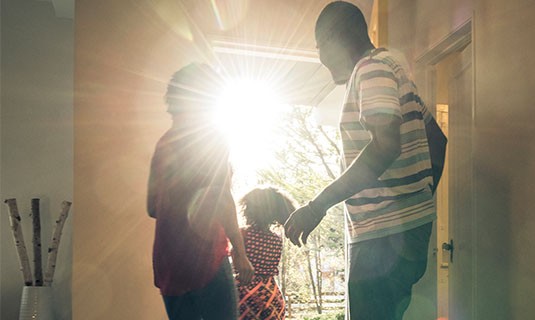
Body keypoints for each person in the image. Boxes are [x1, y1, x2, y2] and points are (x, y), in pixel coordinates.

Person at [284, 2, 447, 320]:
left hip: (383, 237)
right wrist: (420, 203)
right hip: (403, 233)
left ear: (333, 38)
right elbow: (438, 142)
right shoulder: (392, 67)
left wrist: (317, 206)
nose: (320, 58)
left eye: (319, 47)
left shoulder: (371, 69)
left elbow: (385, 147)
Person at [147, 63, 254, 320]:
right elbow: (222, 199)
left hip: (168, 262)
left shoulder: (165, 142)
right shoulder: (211, 136)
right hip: (206, 257)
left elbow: (151, 208)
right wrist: (240, 254)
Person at [234, 187, 296, 320]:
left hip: (245, 293)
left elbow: (235, 262)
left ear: (248, 210)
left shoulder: (241, 234)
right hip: (271, 294)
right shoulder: (276, 239)